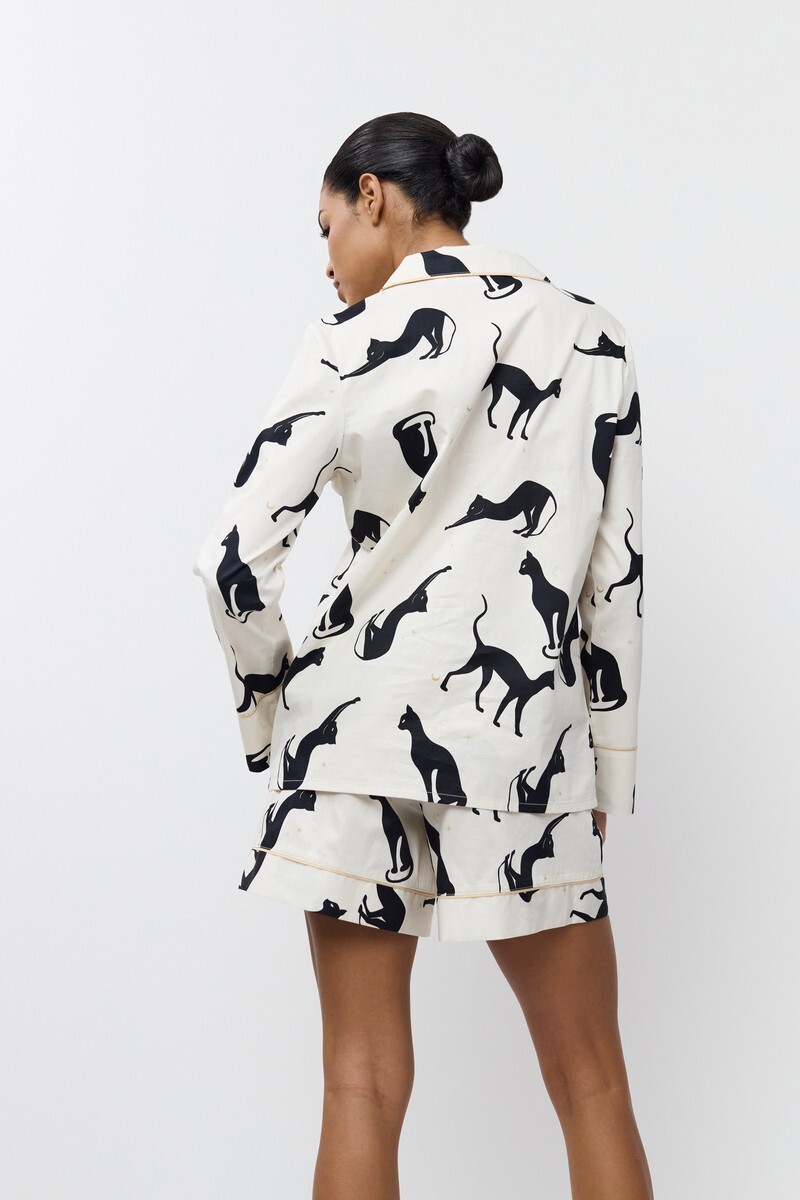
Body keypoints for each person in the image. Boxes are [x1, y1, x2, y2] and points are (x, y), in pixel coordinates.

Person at [192, 112, 653, 1200]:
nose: (326, 262)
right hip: (522, 749)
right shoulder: (590, 337)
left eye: (326, 230)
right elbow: (614, 575)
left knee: (357, 1085)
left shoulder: (345, 341)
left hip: (351, 741)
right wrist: (602, 767)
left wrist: (270, 713)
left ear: (373, 197)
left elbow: (229, 560)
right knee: (590, 1081)